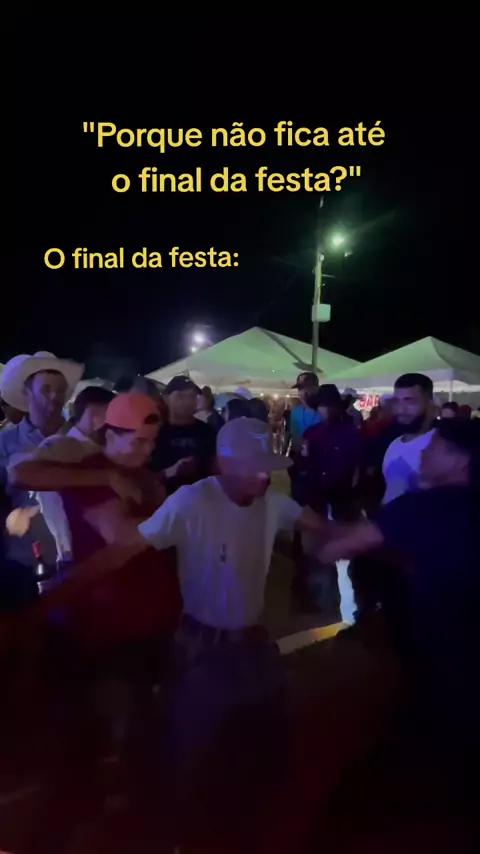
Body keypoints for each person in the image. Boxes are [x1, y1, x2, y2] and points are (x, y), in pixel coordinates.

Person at [318, 418, 480, 813]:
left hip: (439, 644)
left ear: (462, 461)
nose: (423, 453)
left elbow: (338, 548)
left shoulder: (422, 507)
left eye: (434, 447)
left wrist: (307, 527)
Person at [0, 351, 84, 584]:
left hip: (82, 558)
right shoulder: (5, 443)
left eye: (60, 389)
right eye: (46, 389)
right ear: (27, 393)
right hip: (24, 561)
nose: (55, 396)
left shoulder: (80, 438)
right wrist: (8, 518)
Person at [299, 384, 363, 613]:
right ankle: (321, 599)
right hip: (317, 497)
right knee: (317, 550)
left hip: (342, 499)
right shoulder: (312, 433)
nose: (325, 410)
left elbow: (357, 468)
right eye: (322, 406)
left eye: (329, 406)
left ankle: (350, 601)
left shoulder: (351, 433)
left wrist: (353, 496)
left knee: (345, 551)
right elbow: (304, 464)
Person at [149, 376, 216, 494]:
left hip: (201, 497)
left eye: (192, 397)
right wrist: (170, 472)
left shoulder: (207, 431)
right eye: (181, 396)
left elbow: (215, 468)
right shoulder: (156, 432)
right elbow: (145, 479)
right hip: (165, 500)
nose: (187, 402)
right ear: (166, 398)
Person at [381, 373, 436, 505]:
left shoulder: (442, 446)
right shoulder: (394, 444)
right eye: (397, 401)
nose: (401, 409)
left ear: (430, 403)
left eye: (410, 401)